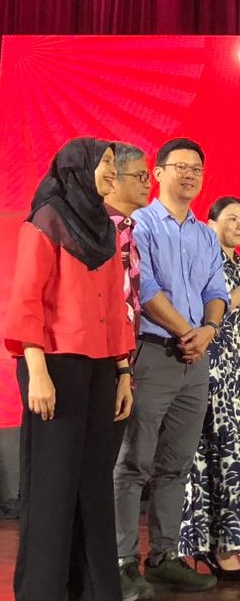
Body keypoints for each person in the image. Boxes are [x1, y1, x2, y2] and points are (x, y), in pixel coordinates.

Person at [5, 138, 135, 600]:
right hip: (54, 364)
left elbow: (117, 307)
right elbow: (25, 300)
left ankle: (96, 590)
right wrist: (36, 370)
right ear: (76, 167)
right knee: (54, 485)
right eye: (104, 164)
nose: (111, 173)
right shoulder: (46, 219)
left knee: (93, 482)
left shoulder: (102, 225)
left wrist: (123, 371)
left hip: (101, 367)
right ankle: (45, 590)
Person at [114, 137, 225, 597]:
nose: (190, 175)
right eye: (180, 166)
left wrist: (209, 331)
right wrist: (187, 332)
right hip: (153, 353)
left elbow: (216, 288)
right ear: (157, 173)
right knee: (133, 462)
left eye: (197, 168)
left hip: (195, 359)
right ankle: (122, 560)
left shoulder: (204, 233)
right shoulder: (137, 224)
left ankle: (163, 556)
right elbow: (144, 288)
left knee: (176, 464)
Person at [179, 197, 240, 579]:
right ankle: (207, 548)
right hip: (208, 369)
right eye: (231, 218)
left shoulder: (238, 262)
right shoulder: (205, 258)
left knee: (232, 457)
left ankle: (224, 544)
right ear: (211, 222)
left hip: (233, 373)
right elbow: (209, 311)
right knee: (209, 457)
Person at [103, 142, 149, 462]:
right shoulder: (102, 228)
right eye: (141, 175)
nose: (148, 183)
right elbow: (111, 301)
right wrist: (120, 366)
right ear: (114, 179)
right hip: (103, 357)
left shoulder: (128, 228)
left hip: (124, 357)